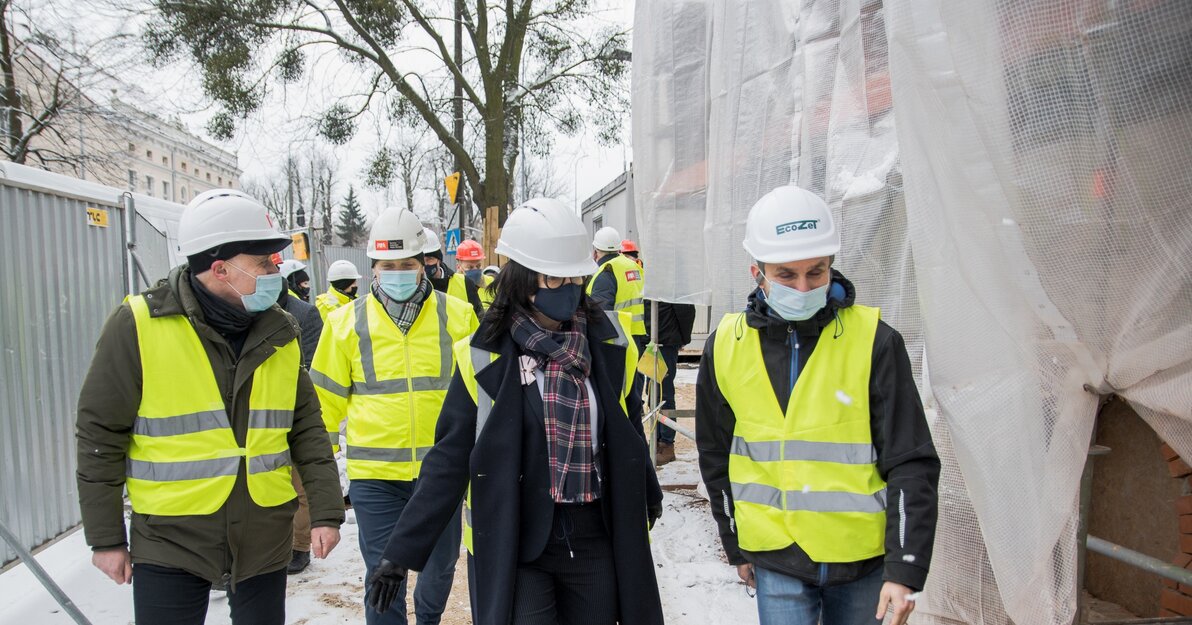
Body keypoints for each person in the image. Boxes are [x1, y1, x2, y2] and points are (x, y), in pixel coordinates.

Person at [364, 198, 665, 625]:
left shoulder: (612, 345)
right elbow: (450, 458)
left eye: (576, 277)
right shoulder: (486, 357)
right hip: (520, 541)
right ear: (525, 282)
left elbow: (626, 430)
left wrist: (646, 489)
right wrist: (401, 551)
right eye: (557, 279)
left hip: (595, 536)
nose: (573, 288)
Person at [76, 188, 344, 625]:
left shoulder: (281, 331)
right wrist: (105, 538)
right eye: (263, 263)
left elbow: (306, 428)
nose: (276, 270)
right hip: (170, 540)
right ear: (220, 269)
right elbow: (99, 433)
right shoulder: (139, 325)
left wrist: (327, 511)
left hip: (264, 535)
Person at [695, 186, 939, 625]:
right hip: (777, 559)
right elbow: (717, 454)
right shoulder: (726, 347)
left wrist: (904, 569)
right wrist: (734, 542)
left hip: (861, 562)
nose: (804, 288)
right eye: (786, 275)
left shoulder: (875, 342)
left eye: (817, 272)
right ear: (757, 273)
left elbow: (911, 460)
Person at [310, 208, 479, 625]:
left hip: (440, 475)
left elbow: (482, 397)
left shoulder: (457, 317)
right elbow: (324, 404)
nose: (399, 273)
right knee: (383, 573)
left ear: (424, 266)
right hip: (375, 477)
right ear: (375, 270)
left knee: (439, 567)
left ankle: (428, 619)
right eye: (389, 266)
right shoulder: (344, 322)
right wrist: (321, 483)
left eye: (407, 264)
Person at [643, 297, 696, 466]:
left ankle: (666, 444)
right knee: (653, 391)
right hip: (652, 341)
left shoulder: (671, 281)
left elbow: (686, 311)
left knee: (663, 392)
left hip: (664, 341)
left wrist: (681, 338)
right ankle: (657, 441)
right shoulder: (649, 277)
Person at [423, 227, 485, 317]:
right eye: (421, 260)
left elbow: (479, 319)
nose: (425, 265)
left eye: (429, 259)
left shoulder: (465, 283)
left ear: (439, 260)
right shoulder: (414, 288)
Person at [456, 239, 495, 311]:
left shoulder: (491, 283)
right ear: (459, 266)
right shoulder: (452, 286)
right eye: (470, 267)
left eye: (478, 266)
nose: (475, 270)